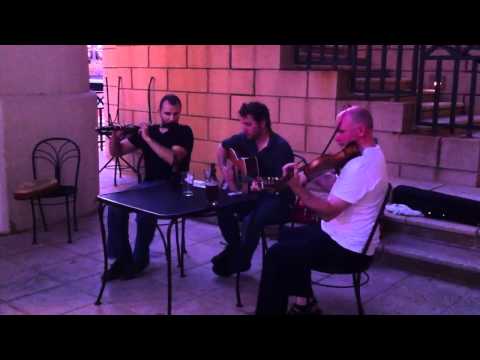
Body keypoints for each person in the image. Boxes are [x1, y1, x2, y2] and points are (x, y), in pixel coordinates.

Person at [255, 105, 388, 315]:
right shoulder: (371, 153)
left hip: (349, 250)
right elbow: (342, 187)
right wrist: (312, 175)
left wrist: (298, 189)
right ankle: (304, 302)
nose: (337, 139)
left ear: (361, 131)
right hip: (338, 234)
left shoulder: (362, 166)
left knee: (276, 255)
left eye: (341, 132)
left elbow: (328, 211)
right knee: (287, 235)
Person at [104, 94, 194, 281]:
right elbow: (117, 152)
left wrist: (148, 139)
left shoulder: (184, 132)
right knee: (114, 208)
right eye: (167, 113)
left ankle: (140, 259)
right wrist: (115, 136)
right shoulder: (149, 131)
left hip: (173, 187)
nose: (171, 118)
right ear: (159, 112)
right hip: (148, 186)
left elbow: (172, 158)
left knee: (145, 214)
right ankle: (121, 259)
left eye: (176, 114)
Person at [211, 102, 295, 277]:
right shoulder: (245, 139)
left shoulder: (280, 147)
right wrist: (225, 174)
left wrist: (263, 185)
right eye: (242, 123)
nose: (244, 128)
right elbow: (222, 147)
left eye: (248, 124)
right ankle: (235, 248)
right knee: (222, 207)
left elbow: (284, 182)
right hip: (252, 195)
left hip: (277, 199)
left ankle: (242, 259)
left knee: (251, 219)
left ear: (263, 123)